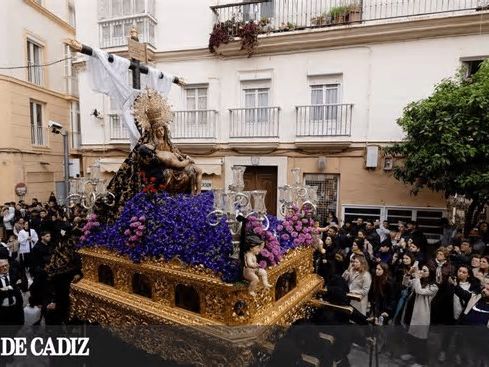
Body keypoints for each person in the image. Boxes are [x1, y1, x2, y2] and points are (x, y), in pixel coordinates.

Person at [400, 263, 438, 366]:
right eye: (422, 269)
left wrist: (416, 277)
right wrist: (409, 274)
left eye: (425, 271)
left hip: (421, 314)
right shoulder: (418, 280)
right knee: (410, 335)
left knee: (420, 339)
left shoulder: (433, 286)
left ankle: (421, 361)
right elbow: (405, 283)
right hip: (410, 310)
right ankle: (412, 354)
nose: (422, 271)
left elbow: (419, 290)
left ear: (431, 273)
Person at [0, 258, 24, 325]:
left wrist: (7, 288)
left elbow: (21, 285)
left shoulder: (14, 275)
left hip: (15, 308)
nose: (5, 268)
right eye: (2, 266)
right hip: (2, 311)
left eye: (6, 265)